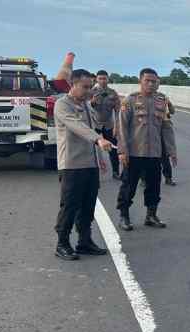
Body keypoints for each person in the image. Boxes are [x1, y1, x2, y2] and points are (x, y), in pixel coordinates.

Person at [53, 69, 113, 260]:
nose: (89, 91)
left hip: (90, 163)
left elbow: (96, 128)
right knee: (70, 206)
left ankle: (84, 241)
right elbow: (77, 127)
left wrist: (100, 159)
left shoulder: (87, 105)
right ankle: (62, 243)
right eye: (85, 87)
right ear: (73, 84)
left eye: (90, 87)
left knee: (88, 206)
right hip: (72, 164)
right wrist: (98, 140)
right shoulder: (62, 105)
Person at [116, 68, 177, 231]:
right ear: (140, 81)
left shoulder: (161, 101)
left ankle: (151, 215)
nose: (151, 84)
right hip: (134, 153)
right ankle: (124, 216)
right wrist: (122, 151)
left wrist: (172, 151)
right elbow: (121, 127)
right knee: (129, 186)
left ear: (158, 82)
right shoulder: (130, 100)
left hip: (154, 153)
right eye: (147, 80)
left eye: (154, 81)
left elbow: (166, 127)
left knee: (154, 186)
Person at [91, 70, 122, 179]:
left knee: (113, 149)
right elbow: (86, 108)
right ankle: (93, 174)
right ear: (96, 79)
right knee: (92, 150)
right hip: (95, 125)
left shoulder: (113, 93)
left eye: (104, 78)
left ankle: (115, 172)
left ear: (108, 79)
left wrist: (117, 126)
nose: (103, 81)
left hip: (109, 125)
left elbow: (118, 111)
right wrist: (92, 102)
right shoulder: (91, 92)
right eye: (100, 78)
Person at [161, 98, 177, 186]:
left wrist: (169, 104)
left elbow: (172, 112)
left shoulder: (162, 98)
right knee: (147, 156)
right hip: (150, 131)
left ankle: (168, 178)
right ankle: (144, 178)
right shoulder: (145, 99)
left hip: (163, 128)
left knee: (165, 156)